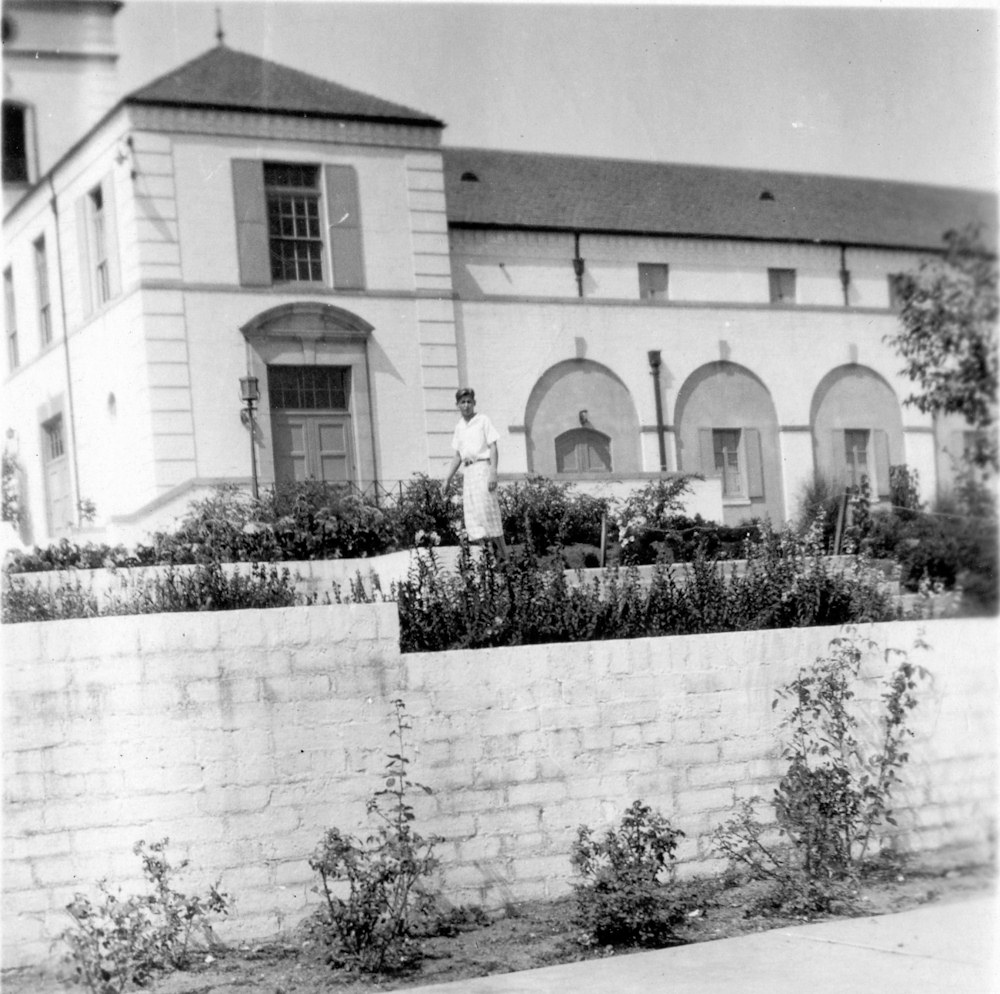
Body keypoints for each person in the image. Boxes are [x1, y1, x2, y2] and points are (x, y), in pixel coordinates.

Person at [443, 387, 510, 561]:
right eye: (462, 402)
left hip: (483, 469)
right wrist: (447, 479)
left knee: (488, 515)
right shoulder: (459, 427)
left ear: (474, 403)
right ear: (457, 405)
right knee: (474, 520)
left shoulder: (482, 420)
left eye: (469, 402)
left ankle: (506, 557)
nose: (466, 405)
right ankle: (490, 560)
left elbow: (493, 446)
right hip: (469, 473)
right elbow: (458, 455)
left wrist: (493, 472)